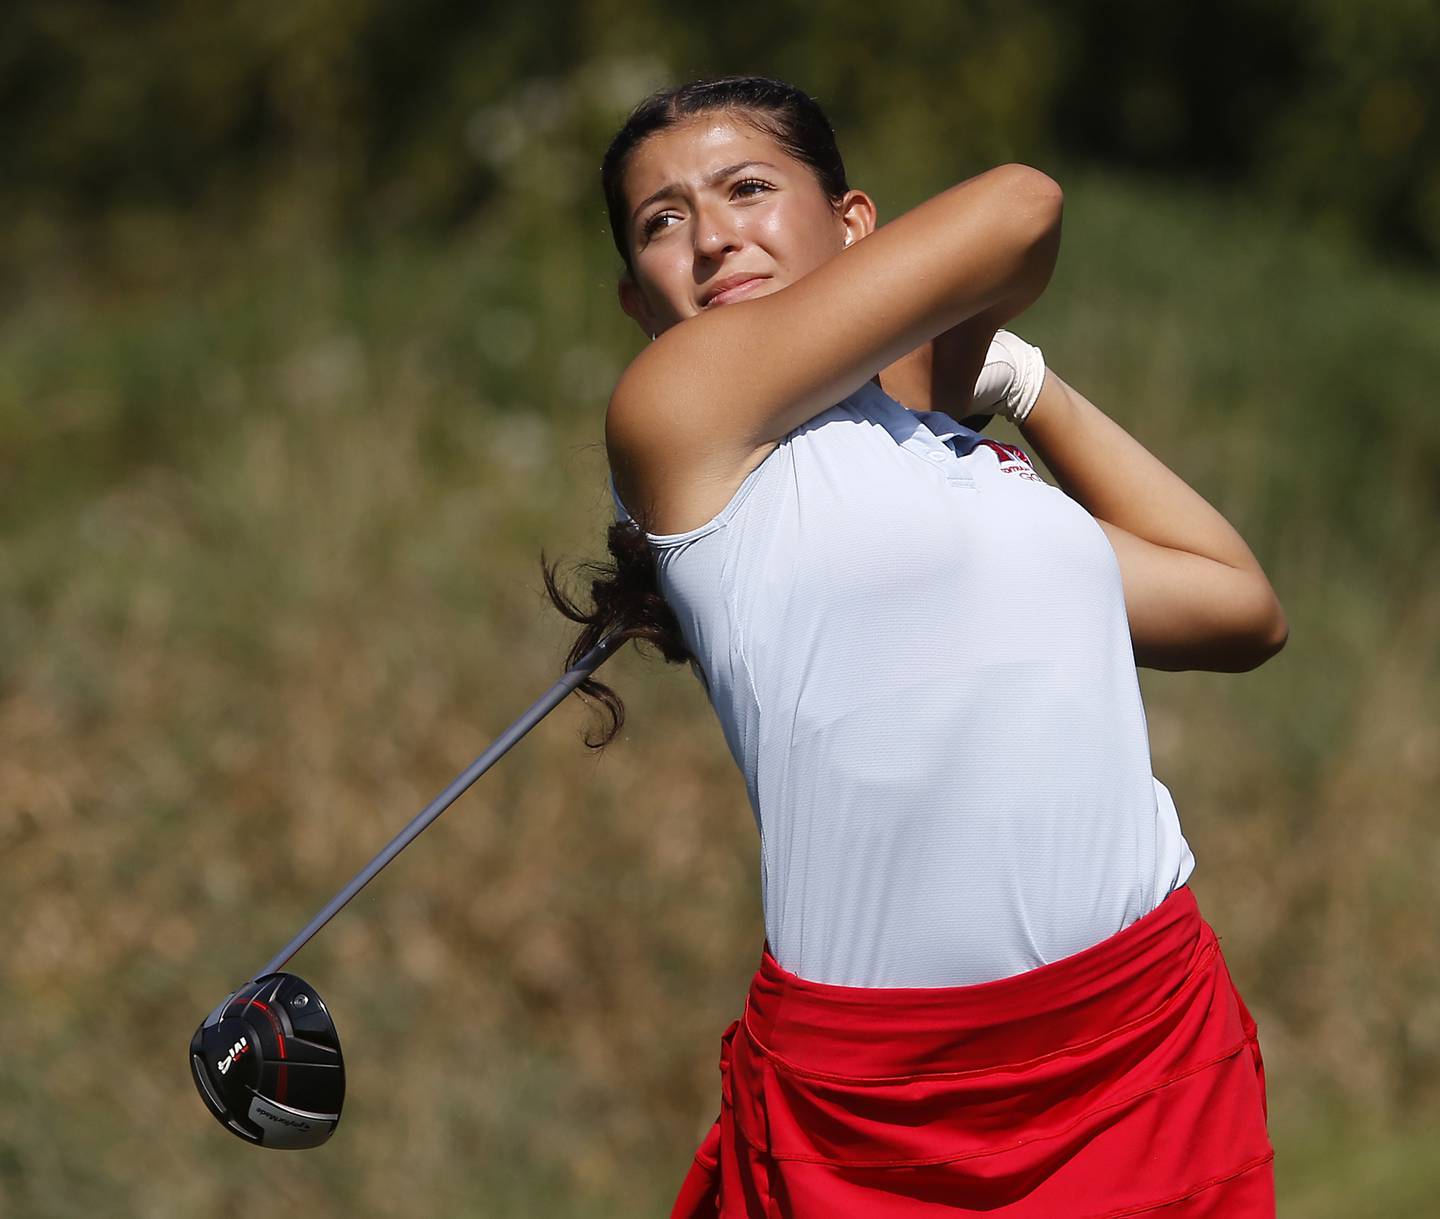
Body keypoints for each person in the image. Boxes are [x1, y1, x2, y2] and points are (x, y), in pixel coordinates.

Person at [545, 75, 1286, 1218]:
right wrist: (931, 339)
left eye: (747, 188)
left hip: (1145, 1044)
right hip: (876, 1111)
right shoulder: (678, 412)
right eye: (663, 221)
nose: (711, 237)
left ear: (854, 225)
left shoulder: (986, 484)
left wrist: (1020, 383)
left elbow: (1239, 607)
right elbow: (1014, 211)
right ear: (638, 302)